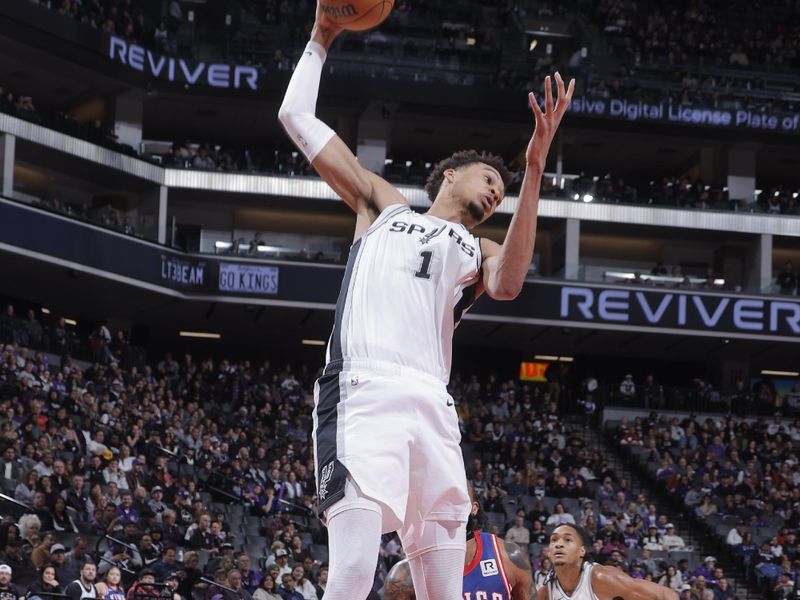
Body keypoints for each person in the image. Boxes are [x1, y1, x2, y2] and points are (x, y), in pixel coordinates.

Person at [278, 4, 573, 599]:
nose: (496, 190)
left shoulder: (481, 245)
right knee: (355, 572)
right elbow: (294, 115)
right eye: (488, 178)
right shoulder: (382, 207)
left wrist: (535, 168)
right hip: (365, 391)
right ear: (449, 176)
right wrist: (321, 37)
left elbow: (510, 283)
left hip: (433, 409)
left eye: (502, 187)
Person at [384, 483, 533, 599]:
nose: (450, 504)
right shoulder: (404, 574)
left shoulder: (509, 556)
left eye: (458, 497)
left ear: (474, 508)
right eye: (442, 497)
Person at [537, 524, 677, 599]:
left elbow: (668, 595)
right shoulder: (545, 590)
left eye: (567, 540)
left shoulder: (601, 578)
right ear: (549, 552)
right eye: (554, 540)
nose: (558, 544)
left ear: (582, 551)